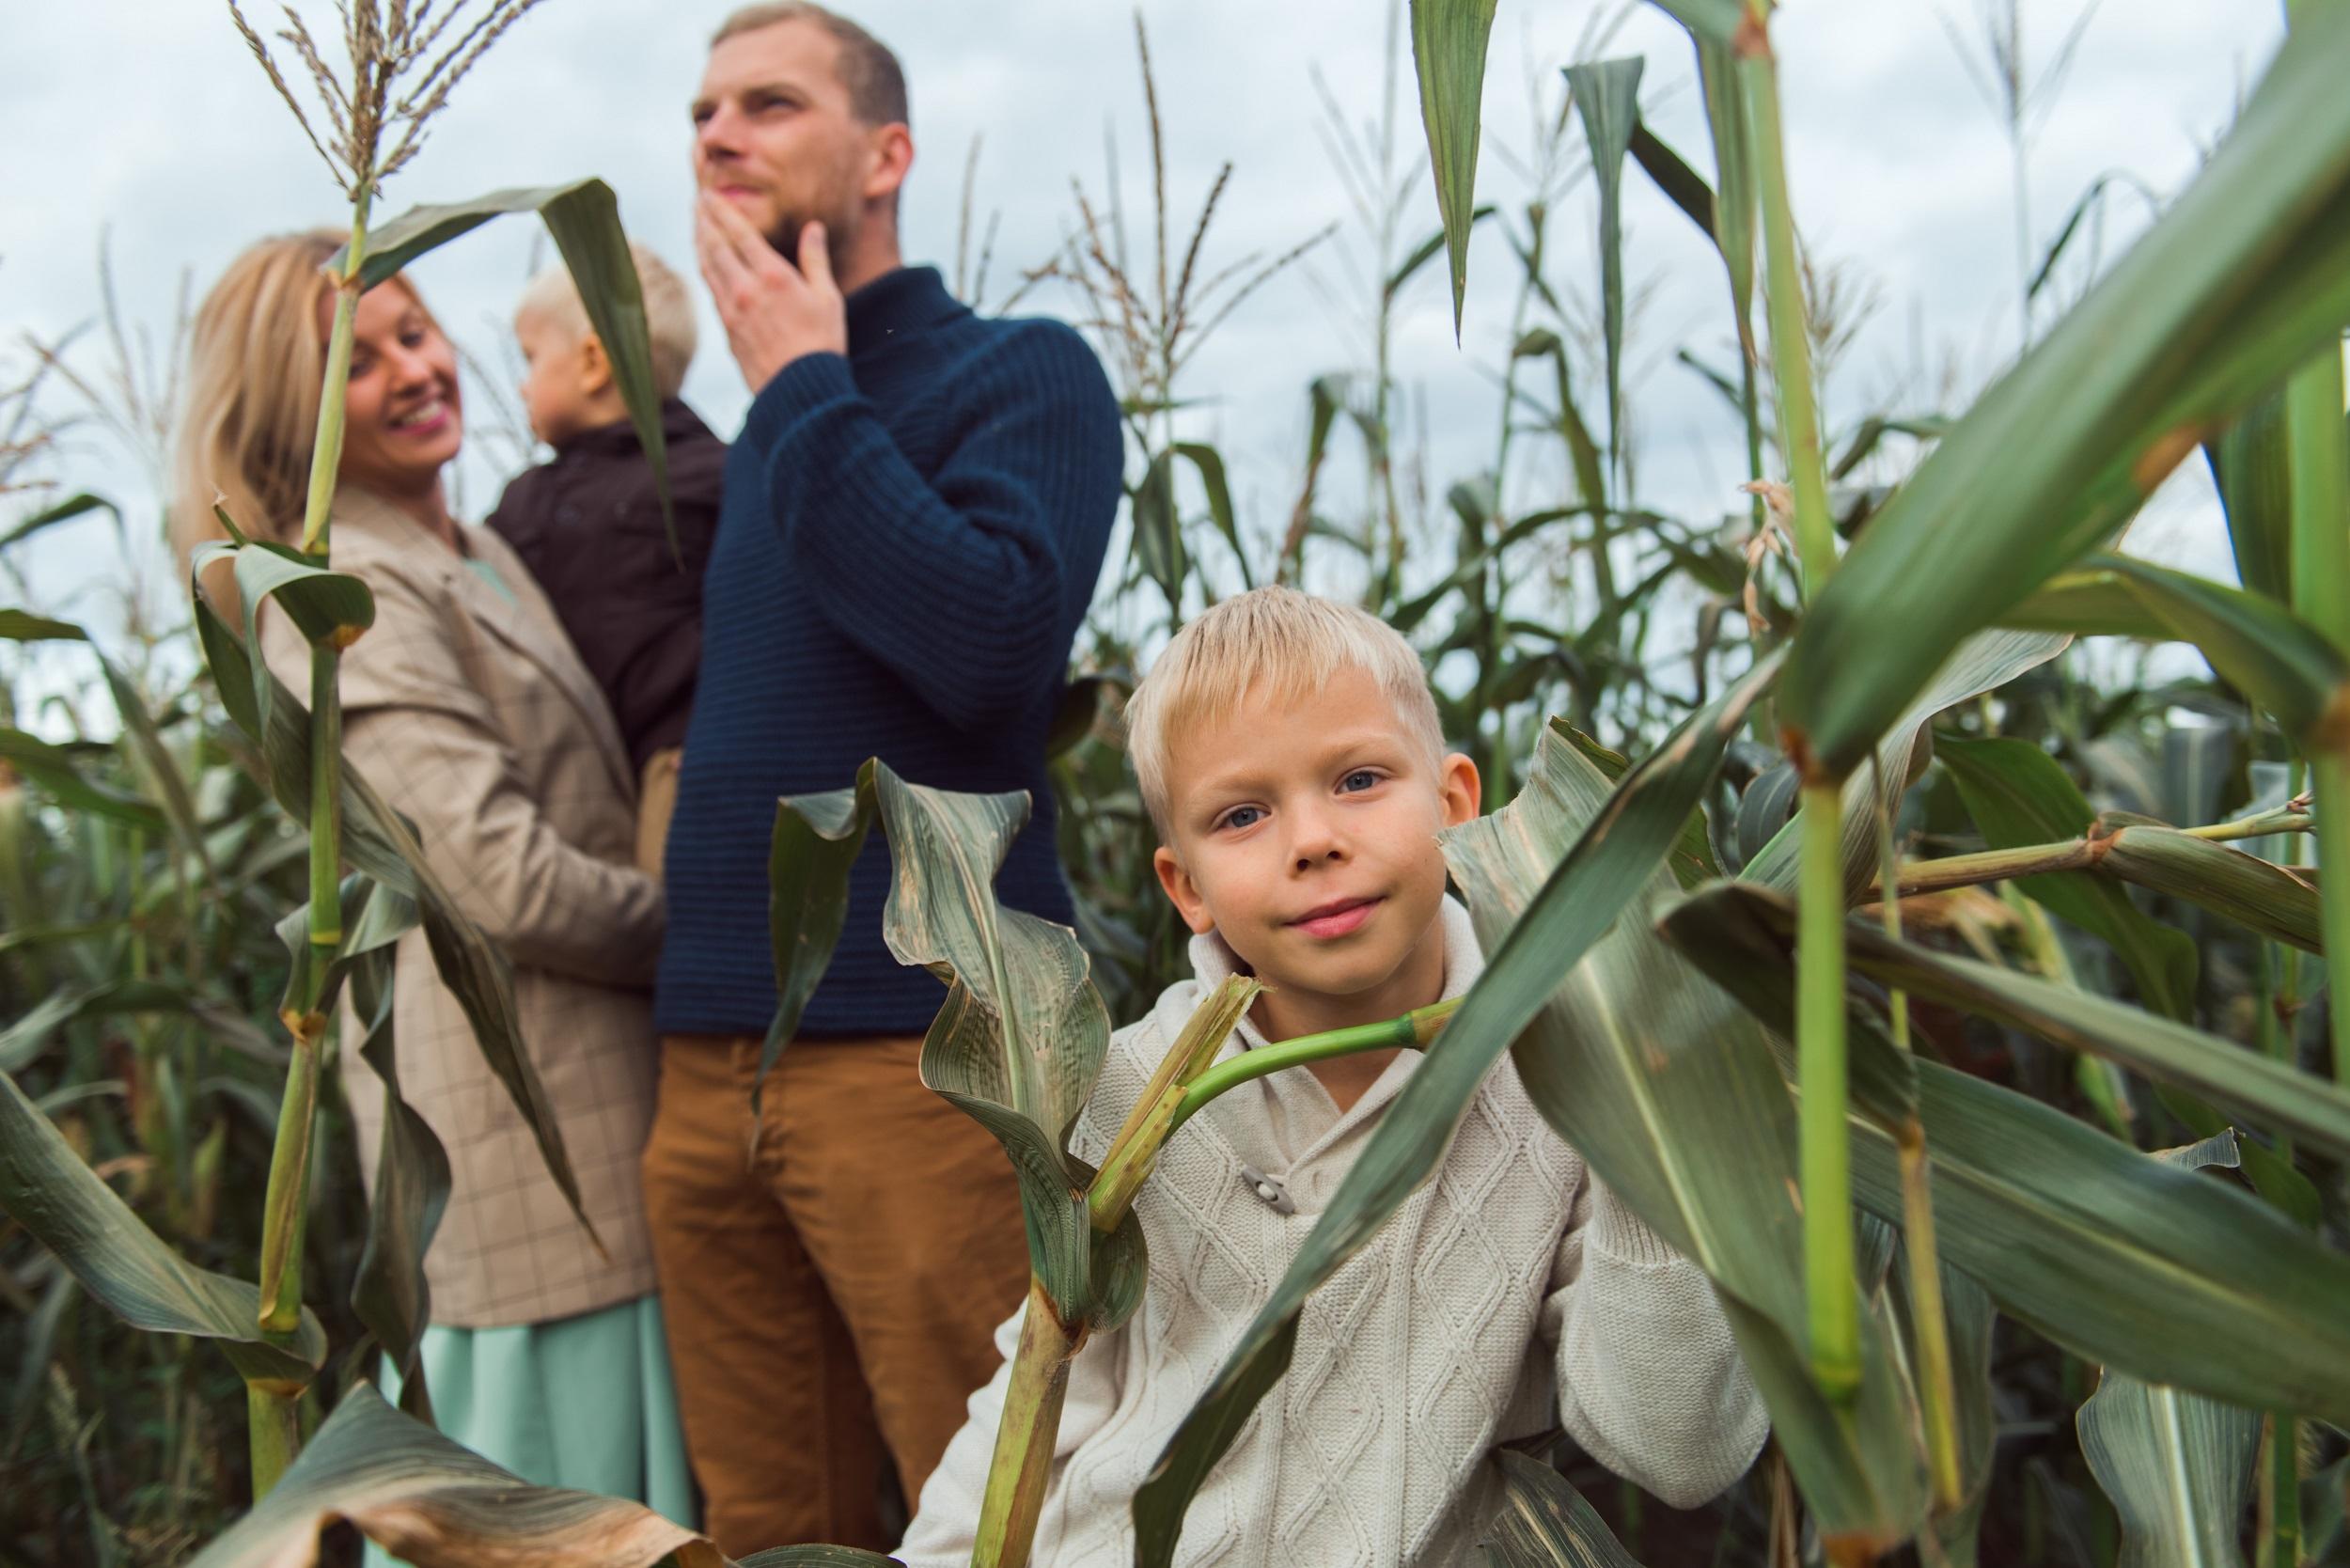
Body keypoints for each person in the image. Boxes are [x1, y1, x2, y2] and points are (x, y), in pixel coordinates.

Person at [899, 587, 1770, 1567]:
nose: (1312, 839)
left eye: (1357, 779)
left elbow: (1678, 1449)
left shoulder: (1561, 1077)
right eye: (1241, 814)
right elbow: (1043, 1386)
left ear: (1454, 807)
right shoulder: (1124, 1086)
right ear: (1185, 888)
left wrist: (1649, 1107)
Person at [640, 1, 1125, 1555]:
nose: (718, 135)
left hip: (921, 1065)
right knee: (767, 1524)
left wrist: (798, 389)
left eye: (770, 105)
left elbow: (991, 650)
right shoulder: (763, 437)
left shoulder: (1023, 374)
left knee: (996, 1517)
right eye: (705, 110)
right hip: (707, 1067)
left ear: (885, 153)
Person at [172, 232, 690, 1526]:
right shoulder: (343, 588)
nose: (415, 368)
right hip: (529, 1165)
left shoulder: (464, 541)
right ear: (292, 408)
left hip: (597, 1137)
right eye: (365, 359)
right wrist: (718, 931)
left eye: (418, 331)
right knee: (564, 1525)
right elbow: (498, 878)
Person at [485, 243, 728, 877]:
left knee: (668, 929)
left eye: (532, 359)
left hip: (675, 766)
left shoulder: (711, 478)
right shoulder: (525, 501)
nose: (522, 383)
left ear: (593, 362)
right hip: (568, 775)